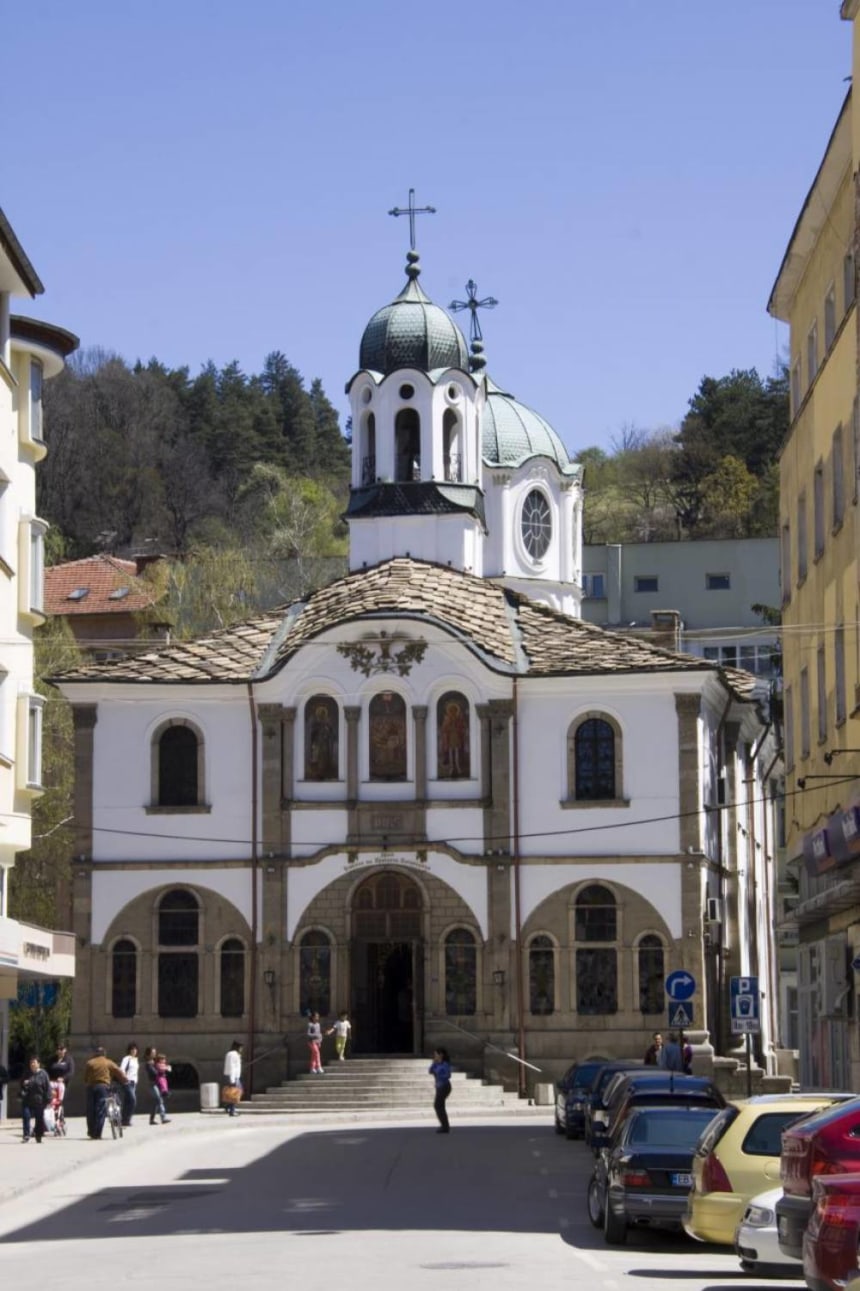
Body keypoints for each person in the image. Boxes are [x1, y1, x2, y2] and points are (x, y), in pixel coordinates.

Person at [83, 1045, 127, 1140]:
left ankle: (91, 1131)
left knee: (90, 1109)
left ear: (95, 1053)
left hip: (91, 1087)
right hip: (102, 1087)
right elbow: (119, 1072)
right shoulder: (108, 1062)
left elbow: (85, 1077)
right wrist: (125, 1080)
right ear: (104, 1054)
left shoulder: (90, 1063)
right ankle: (97, 1133)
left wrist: (88, 1081)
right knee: (100, 1109)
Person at [20, 1055, 51, 1143]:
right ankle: (26, 1135)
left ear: (38, 1064)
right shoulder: (27, 1073)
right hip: (27, 1100)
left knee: (39, 1119)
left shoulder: (43, 1074)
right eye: (31, 1063)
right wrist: (24, 1083)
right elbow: (21, 1084)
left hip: (39, 1100)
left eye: (34, 1062)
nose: (32, 1064)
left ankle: (38, 1135)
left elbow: (47, 1087)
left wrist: (48, 1099)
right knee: (26, 1116)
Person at [143, 1047, 170, 1126]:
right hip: (152, 1084)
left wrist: (163, 1068)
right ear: (149, 1054)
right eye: (153, 1052)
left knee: (155, 1102)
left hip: (158, 1084)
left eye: (155, 1052)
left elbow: (162, 1067)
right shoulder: (148, 1063)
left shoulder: (155, 1061)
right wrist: (161, 1070)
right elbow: (154, 1073)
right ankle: (163, 1118)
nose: (154, 1054)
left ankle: (151, 1120)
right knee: (159, 1099)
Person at [429, 1047, 452, 1134]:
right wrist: (433, 1063)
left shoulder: (445, 1064)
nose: (434, 1056)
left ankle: (445, 1126)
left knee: (438, 1105)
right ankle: (444, 1126)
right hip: (439, 1087)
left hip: (444, 1086)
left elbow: (448, 1075)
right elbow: (430, 1071)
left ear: (441, 1055)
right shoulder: (436, 1064)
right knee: (439, 1106)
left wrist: (439, 1075)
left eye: (436, 1054)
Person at [120, 1042, 139, 1126]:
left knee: (127, 1101)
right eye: (132, 1049)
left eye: (135, 1049)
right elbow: (122, 1069)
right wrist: (125, 1079)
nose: (134, 1050)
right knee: (133, 1100)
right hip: (127, 1082)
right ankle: (127, 1119)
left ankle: (123, 1120)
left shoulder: (136, 1060)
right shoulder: (126, 1058)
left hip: (133, 1083)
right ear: (129, 1050)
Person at [223, 1040, 243, 1115]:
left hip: (232, 1075)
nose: (241, 1049)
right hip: (233, 1076)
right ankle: (232, 1111)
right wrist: (232, 1079)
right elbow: (232, 1067)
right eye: (241, 1047)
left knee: (235, 1092)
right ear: (237, 1047)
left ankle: (228, 1106)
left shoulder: (230, 1054)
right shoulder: (233, 1055)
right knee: (234, 1093)